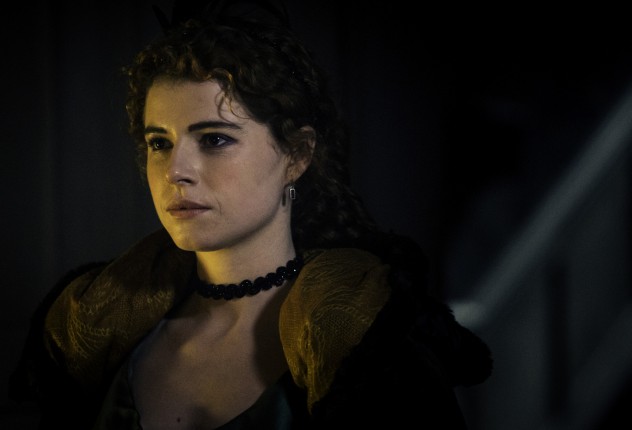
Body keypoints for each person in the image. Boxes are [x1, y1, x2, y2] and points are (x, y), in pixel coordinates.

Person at [9, 0, 492, 428]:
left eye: (215, 139)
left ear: (297, 155)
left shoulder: (368, 342)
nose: (176, 171)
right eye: (159, 143)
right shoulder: (90, 333)